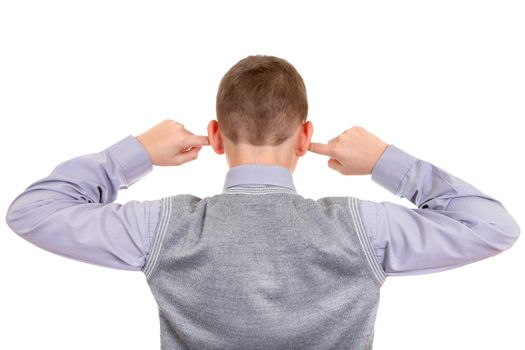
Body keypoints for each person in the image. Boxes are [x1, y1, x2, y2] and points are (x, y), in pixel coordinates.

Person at [5, 55, 520, 349]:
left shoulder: (165, 227)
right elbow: (492, 226)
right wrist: (387, 160)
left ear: (215, 135)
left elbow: (33, 211)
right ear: (304, 137)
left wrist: (135, 153)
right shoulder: (362, 229)